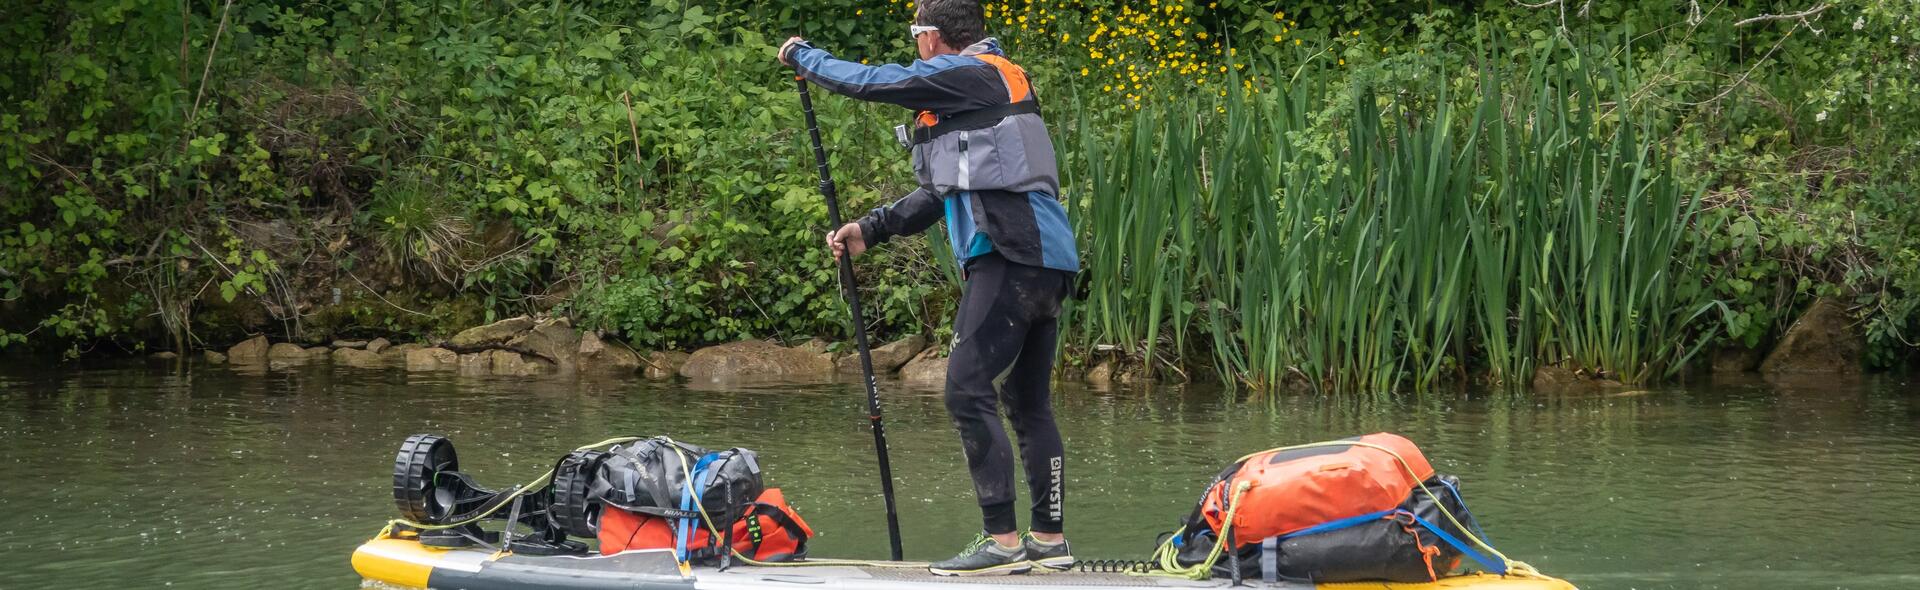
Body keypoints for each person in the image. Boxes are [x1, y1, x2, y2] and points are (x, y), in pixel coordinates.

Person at [778, 0, 1079, 577]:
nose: (915, 45)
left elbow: (873, 82)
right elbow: (947, 190)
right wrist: (871, 228)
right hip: (1047, 257)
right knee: (1025, 400)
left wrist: (804, 57)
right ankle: (1047, 540)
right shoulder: (988, 86)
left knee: (966, 391)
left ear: (933, 37)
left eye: (917, 34)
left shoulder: (969, 71)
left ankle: (1002, 543)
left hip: (1010, 254)